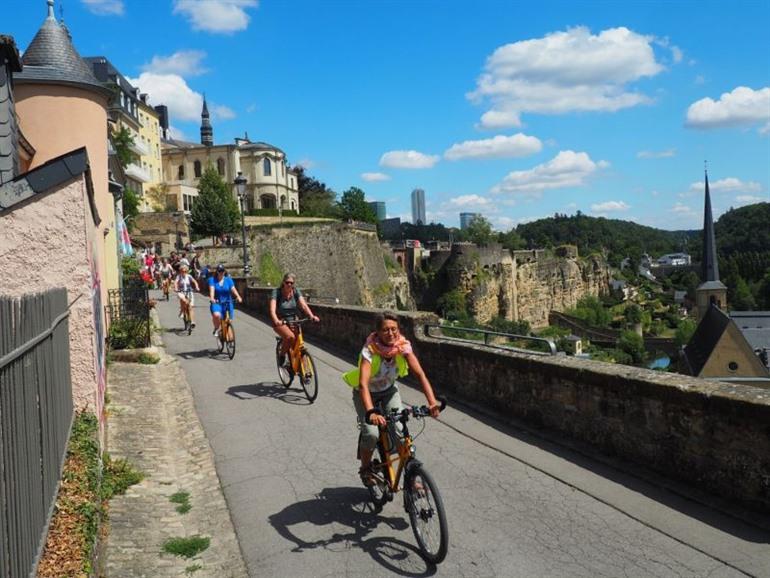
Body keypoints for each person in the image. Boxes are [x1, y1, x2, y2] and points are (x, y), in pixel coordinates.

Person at [342, 312, 440, 486]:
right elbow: (363, 384)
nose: (391, 333)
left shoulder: (403, 347)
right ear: (378, 332)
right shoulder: (370, 350)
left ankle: (411, 478)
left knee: (401, 433)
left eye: (394, 329)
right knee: (372, 434)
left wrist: (432, 402)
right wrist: (371, 412)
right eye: (386, 330)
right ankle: (365, 469)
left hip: (388, 391)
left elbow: (420, 374)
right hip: (365, 393)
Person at [269, 273, 319, 364]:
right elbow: (272, 309)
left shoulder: (296, 291)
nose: (289, 285)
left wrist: (311, 316)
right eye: (287, 282)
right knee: (290, 337)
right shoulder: (277, 292)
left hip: (293, 320)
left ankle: (300, 369)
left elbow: (304, 305)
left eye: (291, 283)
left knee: (298, 344)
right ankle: (282, 355)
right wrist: (276, 320)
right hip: (281, 321)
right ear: (283, 282)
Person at [208, 264, 243, 335]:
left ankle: (229, 340)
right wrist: (212, 298)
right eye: (219, 271)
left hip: (227, 302)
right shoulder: (212, 280)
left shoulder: (228, 280)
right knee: (217, 315)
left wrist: (238, 297)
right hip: (217, 302)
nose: (221, 272)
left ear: (224, 272)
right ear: (217, 272)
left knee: (229, 321)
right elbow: (212, 291)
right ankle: (217, 328)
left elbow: (233, 289)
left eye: (222, 271)